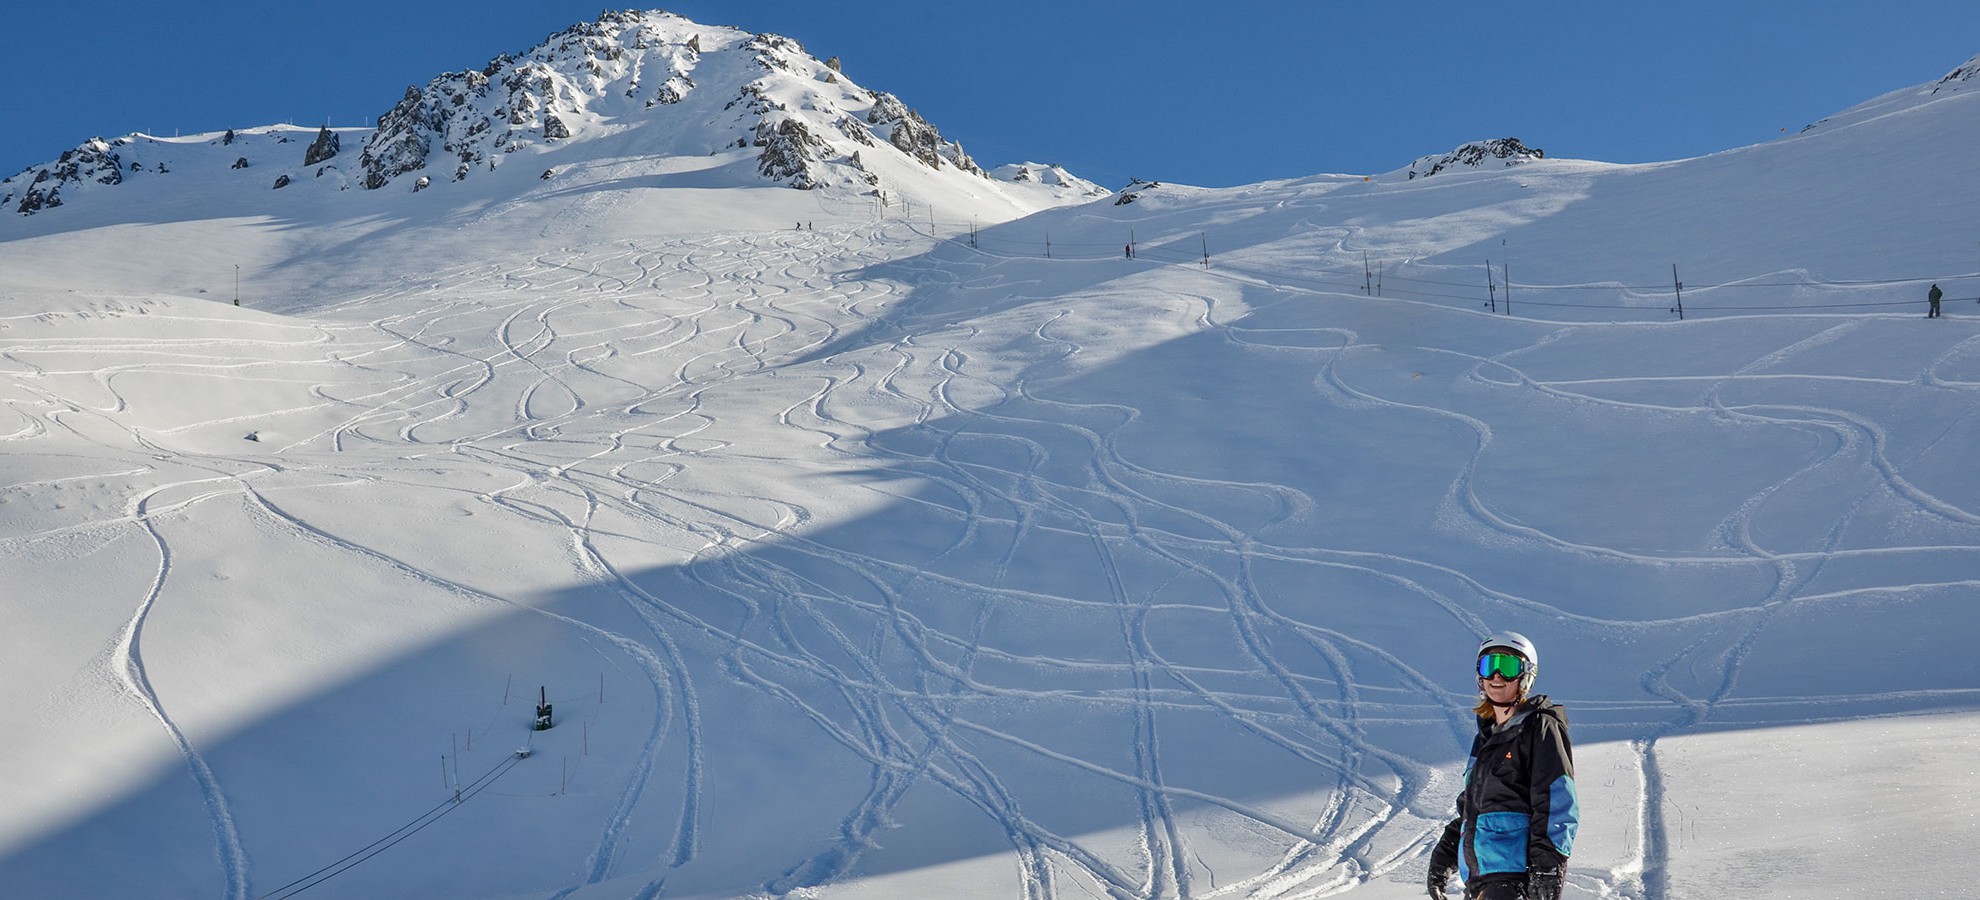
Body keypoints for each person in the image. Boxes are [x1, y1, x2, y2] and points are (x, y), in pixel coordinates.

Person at [1428, 632, 1578, 900]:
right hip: (1480, 880)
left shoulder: (1540, 727)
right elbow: (1473, 808)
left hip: (1515, 878)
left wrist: (1548, 866)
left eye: (1508, 667)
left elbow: (1557, 800)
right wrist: (1447, 851)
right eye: (1489, 666)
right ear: (1480, 676)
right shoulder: (1486, 738)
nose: (1497, 676)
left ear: (1526, 675)